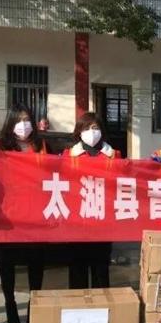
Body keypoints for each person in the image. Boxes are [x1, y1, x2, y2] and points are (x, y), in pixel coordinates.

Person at [0, 104, 48, 323]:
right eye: (18, 120)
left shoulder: (41, 145)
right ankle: (10, 303)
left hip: (36, 214)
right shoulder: (0, 146)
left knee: (37, 263)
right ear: (10, 123)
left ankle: (34, 305)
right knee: (7, 263)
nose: (23, 125)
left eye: (26, 120)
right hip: (9, 215)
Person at [63, 112, 116, 288]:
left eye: (95, 127)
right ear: (79, 132)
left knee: (101, 272)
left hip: (103, 225)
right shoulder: (69, 155)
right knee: (77, 272)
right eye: (86, 128)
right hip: (76, 225)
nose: (91, 132)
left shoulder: (114, 156)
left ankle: (101, 304)